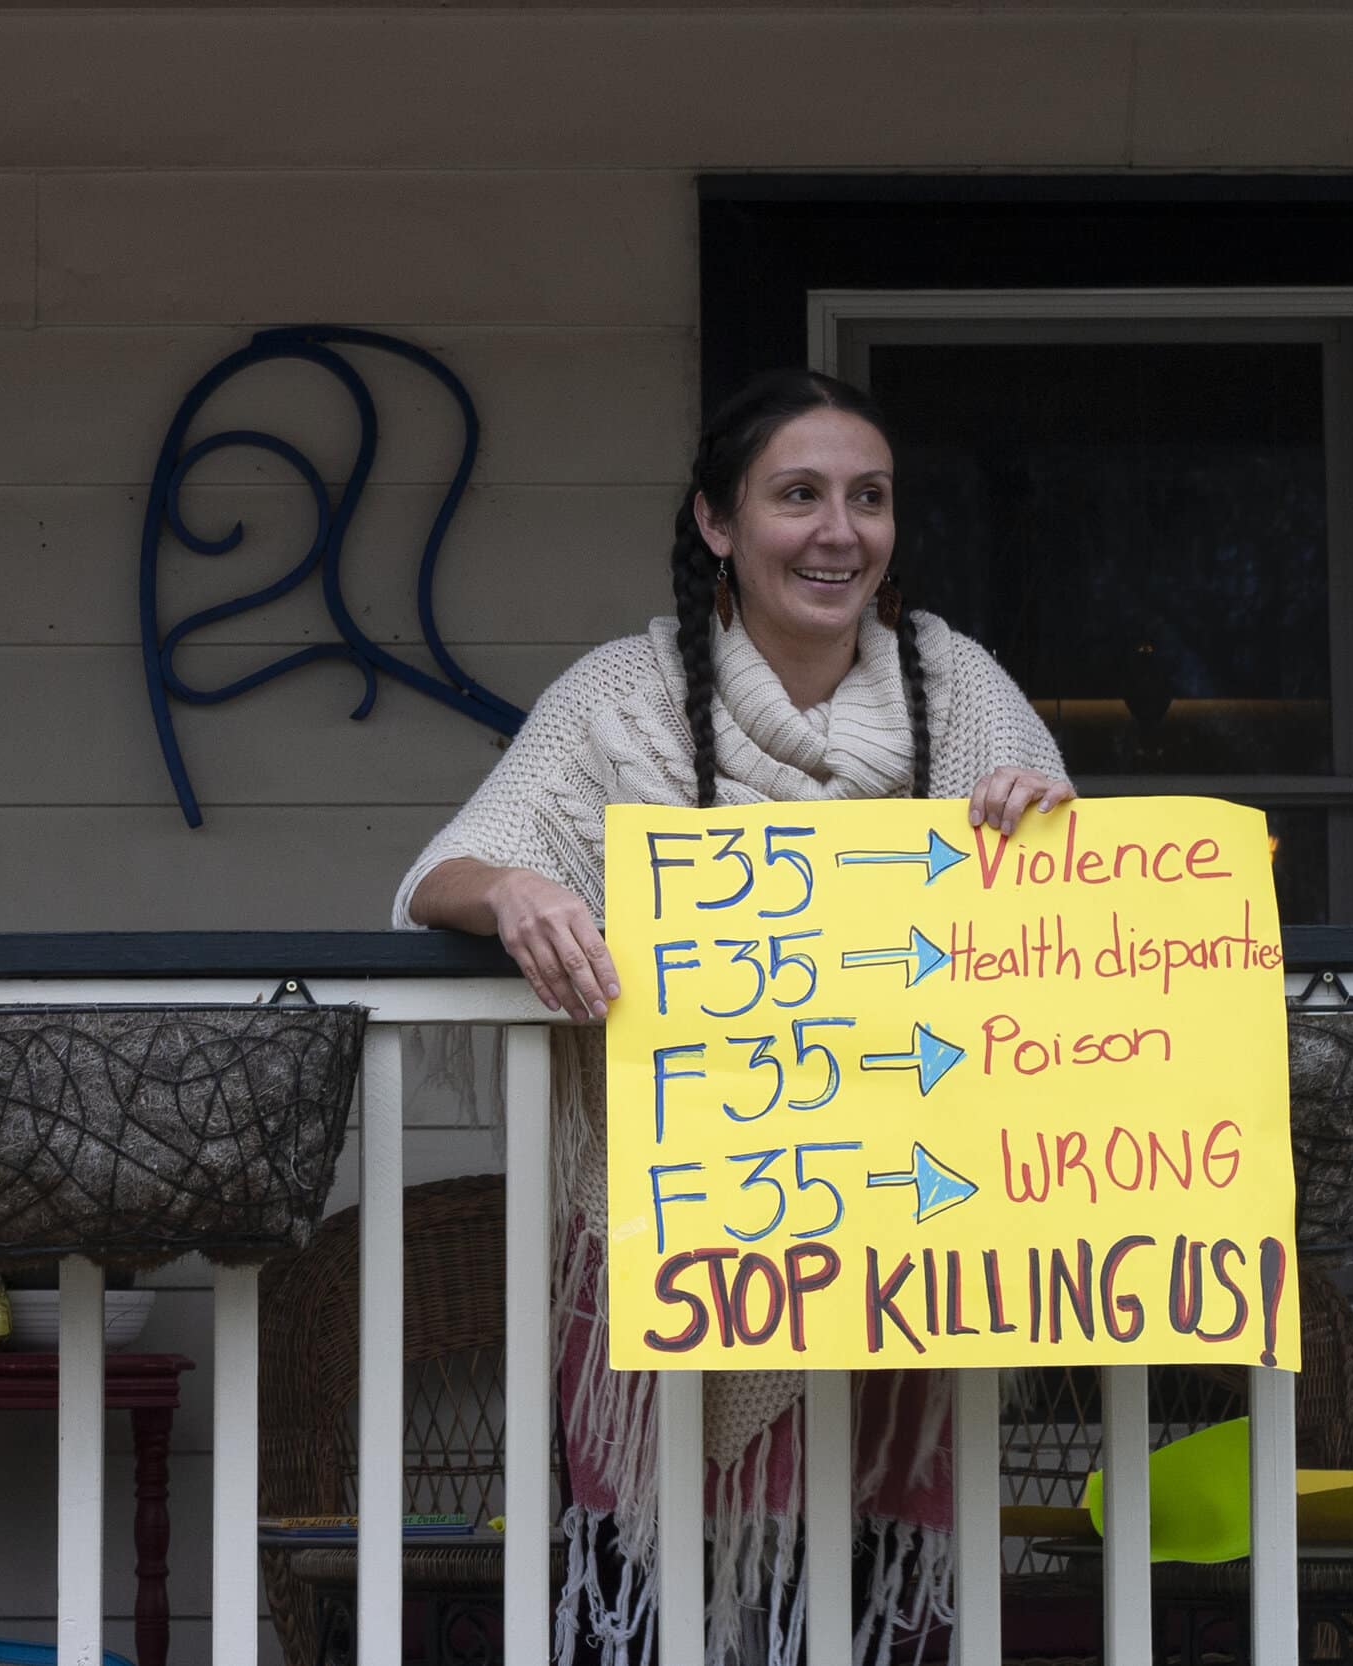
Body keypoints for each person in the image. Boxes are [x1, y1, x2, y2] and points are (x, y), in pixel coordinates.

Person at [394, 370, 1072, 1665]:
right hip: (680, 1242)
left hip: (904, 1246)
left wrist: (1039, 832)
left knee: (883, 1606)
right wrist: (521, 887)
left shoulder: (957, 682)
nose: (838, 530)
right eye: (797, 495)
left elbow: (1065, 934)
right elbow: (445, 870)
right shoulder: (623, 696)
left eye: (867, 498)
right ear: (716, 521)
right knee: (647, 1612)